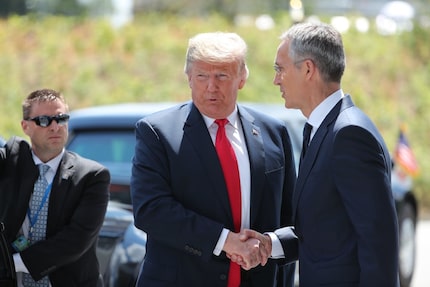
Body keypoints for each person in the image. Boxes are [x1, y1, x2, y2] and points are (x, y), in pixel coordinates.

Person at [237, 22, 400, 287]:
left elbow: (379, 243)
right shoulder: (319, 129)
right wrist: (271, 244)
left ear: (309, 70)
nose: (276, 79)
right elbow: (327, 231)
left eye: (280, 69)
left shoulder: (349, 135)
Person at [130, 32, 297, 287]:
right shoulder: (157, 132)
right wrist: (224, 240)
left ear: (242, 78)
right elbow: (151, 210)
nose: (211, 87)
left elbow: (291, 216)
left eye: (221, 76)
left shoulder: (273, 132)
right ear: (188, 78)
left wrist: (268, 245)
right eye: (201, 76)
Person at [0, 89, 110, 286]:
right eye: (44, 120)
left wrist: (11, 263)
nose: (54, 127)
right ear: (25, 127)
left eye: (61, 119)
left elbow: (76, 240)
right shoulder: (11, 163)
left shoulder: (92, 175)